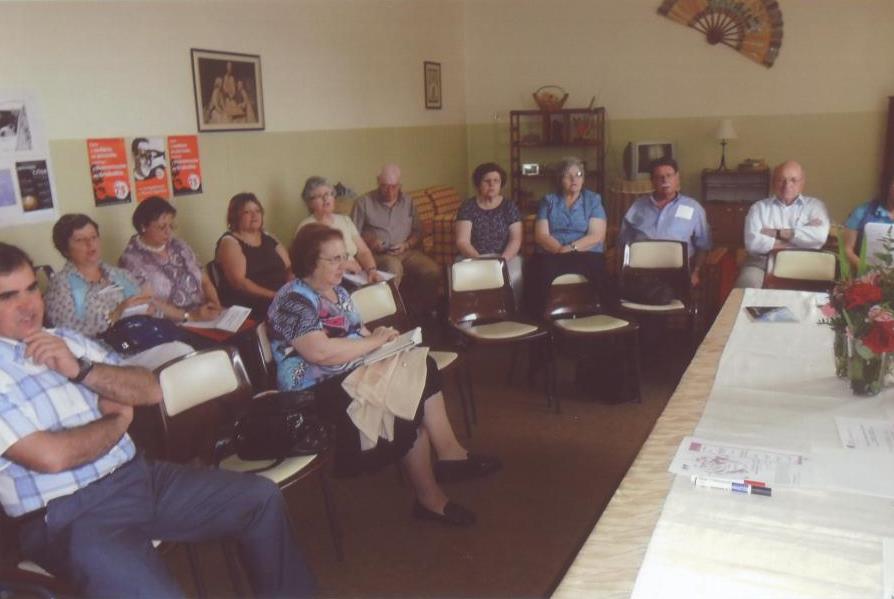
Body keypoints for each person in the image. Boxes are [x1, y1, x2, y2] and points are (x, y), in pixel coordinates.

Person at [0, 242, 315, 598]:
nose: (28, 305)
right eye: (8, 296)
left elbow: (148, 389)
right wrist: (118, 422)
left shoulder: (66, 341)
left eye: (31, 289)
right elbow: (52, 457)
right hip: (70, 516)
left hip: (138, 477)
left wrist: (82, 370)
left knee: (260, 498)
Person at [267, 224, 501, 526]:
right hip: (315, 391)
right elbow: (319, 353)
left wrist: (381, 337)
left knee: (418, 371)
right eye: (335, 259)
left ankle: (441, 475)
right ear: (310, 262)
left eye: (345, 256)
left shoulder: (338, 291)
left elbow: (356, 331)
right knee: (413, 392)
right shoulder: (293, 300)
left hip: (352, 370)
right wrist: (373, 343)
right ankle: (439, 480)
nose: (345, 265)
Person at [351, 164, 440, 318]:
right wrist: (371, 241)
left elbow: (418, 231)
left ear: (400, 185)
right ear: (378, 182)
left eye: (394, 187)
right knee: (393, 267)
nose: (390, 192)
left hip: (405, 251)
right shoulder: (363, 202)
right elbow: (352, 235)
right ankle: (388, 316)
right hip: (376, 254)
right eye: (385, 186)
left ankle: (419, 312)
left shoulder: (408, 202)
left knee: (432, 270)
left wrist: (407, 244)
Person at [525, 156, 609, 318]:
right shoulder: (548, 201)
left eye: (578, 175)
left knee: (600, 274)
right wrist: (559, 249)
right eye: (568, 175)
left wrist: (570, 248)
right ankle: (537, 322)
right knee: (539, 271)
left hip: (586, 252)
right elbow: (541, 235)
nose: (574, 179)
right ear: (559, 179)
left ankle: (605, 319)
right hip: (553, 252)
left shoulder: (593, 200)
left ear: (583, 179)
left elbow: (596, 235)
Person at [119, 197, 223, 324]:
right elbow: (149, 302)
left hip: (203, 315)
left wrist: (215, 305)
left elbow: (204, 280)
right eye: (162, 227)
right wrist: (191, 316)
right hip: (170, 324)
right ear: (143, 227)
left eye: (171, 226)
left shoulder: (179, 245)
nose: (168, 232)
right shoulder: (131, 260)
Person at [735, 160, 830, 288]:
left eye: (793, 180)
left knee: (822, 292)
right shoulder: (759, 208)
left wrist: (776, 233)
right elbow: (753, 243)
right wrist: (799, 240)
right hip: (762, 263)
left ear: (802, 182)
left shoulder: (815, 206)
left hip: (804, 263)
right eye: (781, 180)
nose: (787, 185)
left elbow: (819, 238)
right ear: (773, 182)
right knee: (746, 285)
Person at [618, 157, 712, 286]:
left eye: (669, 175)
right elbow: (623, 244)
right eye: (659, 177)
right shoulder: (637, 207)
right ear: (652, 181)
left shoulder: (693, 208)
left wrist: (696, 272)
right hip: (641, 272)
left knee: (666, 293)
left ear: (677, 178)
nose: (665, 180)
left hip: (677, 273)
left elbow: (703, 246)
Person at [455, 162, 523, 308]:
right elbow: (462, 241)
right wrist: (480, 260)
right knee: (463, 272)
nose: (492, 185)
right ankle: (473, 312)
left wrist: (502, 260)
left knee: (514, 274)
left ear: (501, 184)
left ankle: (509, 311)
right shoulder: (468, 207)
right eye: (487, 181)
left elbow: (516, 239)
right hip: (474, 256)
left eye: (496, 181)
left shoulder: (509, 206)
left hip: (505, 256)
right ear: (478, 184)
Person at [215, 192, 292, 319]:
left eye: (257, 211)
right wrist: (275, 295)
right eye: (247, 212)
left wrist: (291, 289)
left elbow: (289, 267)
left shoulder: (269, 237)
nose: (255, 215)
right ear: (235, 217)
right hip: (251, 302)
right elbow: (240, 283)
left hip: (280, 296)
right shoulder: (229, 242)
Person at [296, 176, 383, 287]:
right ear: (310, 203)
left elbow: (363, 251)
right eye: (320, 196)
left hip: (356, 276)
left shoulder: (345, 220)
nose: (326, 199)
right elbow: (310, 264)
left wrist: (372, 270)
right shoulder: (306, 227)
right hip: (330, 283)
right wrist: (343, 265)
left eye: (329, 194)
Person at [842, 173, 894, 270]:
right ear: (888, 185)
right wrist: (865, 269)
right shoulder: (862, 211)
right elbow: (847, 249)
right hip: (865, 272)